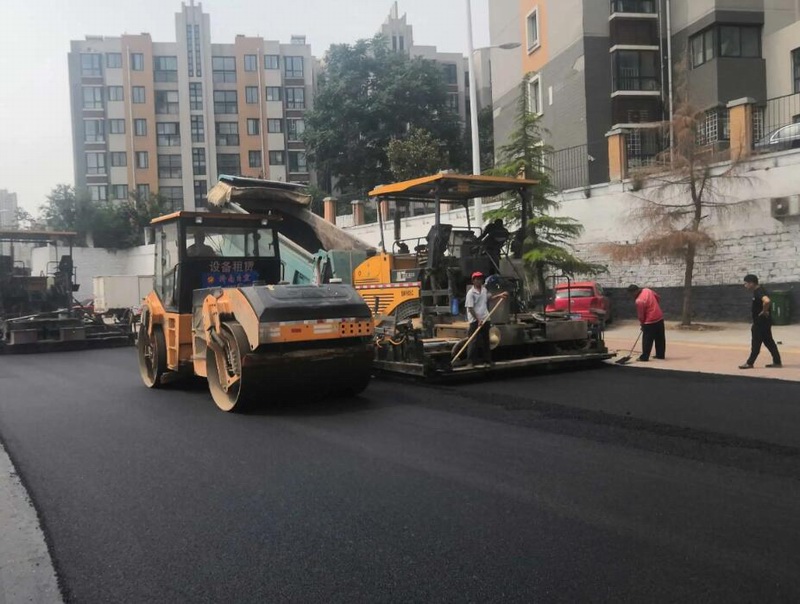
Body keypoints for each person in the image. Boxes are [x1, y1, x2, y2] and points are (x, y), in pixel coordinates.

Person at [464, 271, 508, 367]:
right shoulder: (471, 293)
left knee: (486, 340)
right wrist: (478, 319)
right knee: (473, 340)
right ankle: (471, 362)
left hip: (485, 318)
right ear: (473, 281)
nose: (479, 281)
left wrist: (500, 295)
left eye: (480, 279)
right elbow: (470, 308)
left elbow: (489, 298)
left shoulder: (484, 290)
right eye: (477, 279)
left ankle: (487, 360)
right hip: (475, 320)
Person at [739, 274, 782, 369]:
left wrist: (764, 310)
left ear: (751, 283)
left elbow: (767, 301)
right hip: (765, 322)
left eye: (746, 283)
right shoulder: (761, 290)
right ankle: (777, 361)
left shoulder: (758, 292)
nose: (745, 285)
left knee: (756, 343)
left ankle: (750, 363)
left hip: (760, 322)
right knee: (769, 342)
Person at [627, 284, 665, 361]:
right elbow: (658, 297)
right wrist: (655, 306)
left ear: (634, 292)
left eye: (631, 294)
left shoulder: (639, 301)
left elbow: (641, 314)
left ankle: (644, 357)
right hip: (659, 316)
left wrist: (642, 324)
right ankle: (660, 355)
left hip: (650, 321)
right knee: (660, 337)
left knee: (647, 339)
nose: (631, 296)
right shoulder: (647, 290)